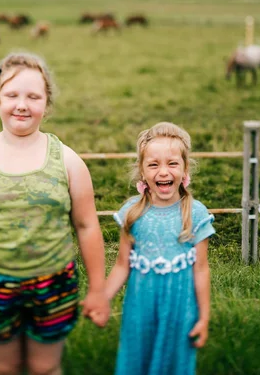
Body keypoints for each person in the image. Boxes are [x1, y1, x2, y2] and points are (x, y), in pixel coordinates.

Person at [0, 52, 110, 375]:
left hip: (54, 287)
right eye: (12, 95)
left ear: (46, 103)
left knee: (45, 368)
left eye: (33, 96)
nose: (22, 104)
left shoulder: (68, 162)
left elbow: (87, 226)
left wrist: (97, 290)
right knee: (3, 368)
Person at [103, 122, 215, 375]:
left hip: (180, 309)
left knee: (174, 363)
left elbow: (201, 270)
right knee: (138, 360)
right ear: (142, 172)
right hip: (141, 308)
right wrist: (102, 298)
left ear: (185, 169)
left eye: (172, 163)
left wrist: (204, 317)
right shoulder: (132, 213)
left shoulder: (195, 214)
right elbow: (122, 265)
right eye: (153, 164)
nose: (163, 172)